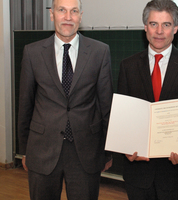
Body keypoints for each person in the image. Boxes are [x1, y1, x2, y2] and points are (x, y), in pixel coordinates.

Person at [17, 0, 113, 199]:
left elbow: (106, 105)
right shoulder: (32, 52)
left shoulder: (99, 51)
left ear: (80, 15)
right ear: (52, 14)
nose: (68, 17)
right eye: (62, 10)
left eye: (74, 11)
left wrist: (107, 151)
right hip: (42, 149)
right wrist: (24, 149)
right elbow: (25, 104)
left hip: (85, 152)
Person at [117, 0, 178, 199]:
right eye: (153, 24)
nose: (159, 31)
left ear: (175, 28)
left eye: (166, 24)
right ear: (145, 27)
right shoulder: (128, 66)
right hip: (138, 171)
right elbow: (122, 115)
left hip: (175, 172)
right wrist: (125, 146)